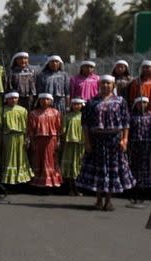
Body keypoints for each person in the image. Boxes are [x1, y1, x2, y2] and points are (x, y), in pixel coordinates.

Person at [76, 75, 135, 211]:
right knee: (99, 170)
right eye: (103, 83)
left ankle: (108, 200)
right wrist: (87, 142)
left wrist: (124, 139)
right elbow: (85, 124)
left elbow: (126, 122)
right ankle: (98, 200)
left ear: (113, 85)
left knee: (111, 171)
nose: (105, 85)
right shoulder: (91, 102)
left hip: (114, 140)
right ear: (99, 85)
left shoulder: (120, 102)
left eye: (108, 83)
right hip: (96, 140)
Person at [27, 93, 63, 190]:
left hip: (51, 140)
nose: (44, 101)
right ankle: (38, 184)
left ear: (51, 101)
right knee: (39, 160)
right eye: (42, 99)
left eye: (47, 99)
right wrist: (32, 142)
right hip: (38, 140)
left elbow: (59, 129)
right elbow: (31, 130)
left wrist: (59, 141)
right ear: (39, 101)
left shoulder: (56, 113)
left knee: (50, 161)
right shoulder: (33, 113)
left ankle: (51, 184)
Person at [0, 92, 34, 186]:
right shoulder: (2, 110)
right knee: (9, 158)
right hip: (8, 137)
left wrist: (27, 139)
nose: (13, 100)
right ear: (6, 99)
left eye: (15, 98)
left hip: (20, 137)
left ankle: (21, 181)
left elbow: (27, 126)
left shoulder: (23, 110)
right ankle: (9, 181)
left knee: (21, 158)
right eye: (11, 98)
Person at [61, 98, 85, 196]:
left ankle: (78, 188)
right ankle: (70, 188)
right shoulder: (67, 116)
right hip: (69, 143)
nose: (76, 106)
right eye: (74, 104)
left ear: (82, 105)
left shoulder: (84, 116)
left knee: (79, 165)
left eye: (78, 104)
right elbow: (63, 130)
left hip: (80, 144)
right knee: (70, 166)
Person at [128, 97, 151, 195]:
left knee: (146, 164)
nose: (142, 105)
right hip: (135, 143)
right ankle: (135, 185)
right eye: (140, 103)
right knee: (135, 164)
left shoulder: (150, 116)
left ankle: (146, 186)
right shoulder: (132, 116)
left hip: (147, 143)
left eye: (144, 103)